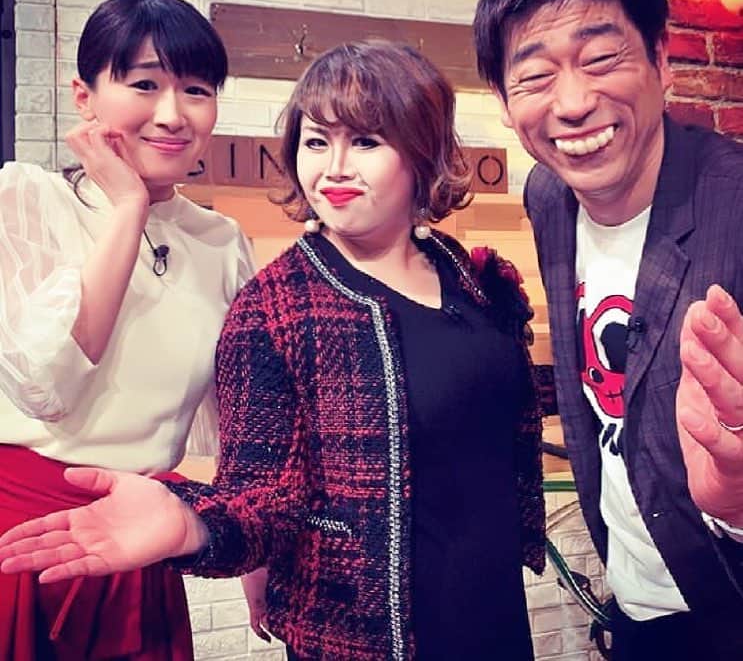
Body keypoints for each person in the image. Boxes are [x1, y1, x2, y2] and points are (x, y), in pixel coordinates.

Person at [0, 40, 545, 660]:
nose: (334, 168)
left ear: (422, 149)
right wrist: (193, 523)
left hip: (493, 611)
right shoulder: (276, 306)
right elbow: (261, 500)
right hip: (360, 633)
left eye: (366, 142)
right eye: (316, 142)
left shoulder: (468, 276)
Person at [472, 0, 743, 660]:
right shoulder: (548, 197)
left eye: (600, 59)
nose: (571, 102)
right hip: (637, 606)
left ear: (660, 58)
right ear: (503, 100)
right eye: (534, 76)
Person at [0, 0, 254, 660]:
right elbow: (47, 387)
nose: (172, 114)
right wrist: (127, 208)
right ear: (84, 97)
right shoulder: (24, 198)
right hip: (17, 540)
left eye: (196, 90)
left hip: (137, 542)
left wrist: (253, 562)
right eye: (144, 84)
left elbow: (241, 422)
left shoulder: (221, 240)